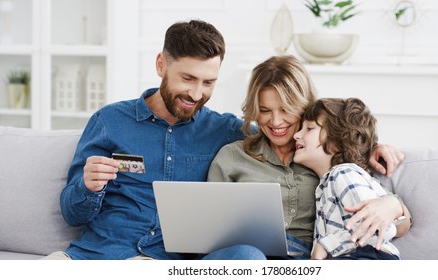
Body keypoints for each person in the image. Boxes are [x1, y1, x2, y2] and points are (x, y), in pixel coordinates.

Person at [43, 20, 266, 260]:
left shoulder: (226, 130)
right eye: (188, 78)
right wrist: (87, 186)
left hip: (166, 263)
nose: (196, 94)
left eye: (208, 82)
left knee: (248, 256)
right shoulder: (109, 121)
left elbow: (281, 138)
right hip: (99, 256)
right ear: (161, 65)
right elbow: (72, 214)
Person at [207, 55, 411, 259]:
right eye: (265, 110)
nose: (276, 121)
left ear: (304, 107)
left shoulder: (328, 158)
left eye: (286, 109)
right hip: (247, 258)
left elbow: (397, 223)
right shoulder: (233, 156)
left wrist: (391, 205)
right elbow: (209, 232)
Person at [294, 98, 410, 260]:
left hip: (366, 257)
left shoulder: (343, 174)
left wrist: (327, 244)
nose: (296, 135)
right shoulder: (331, 180)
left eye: (309, 129)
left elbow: (379, 228)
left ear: (336, 142)